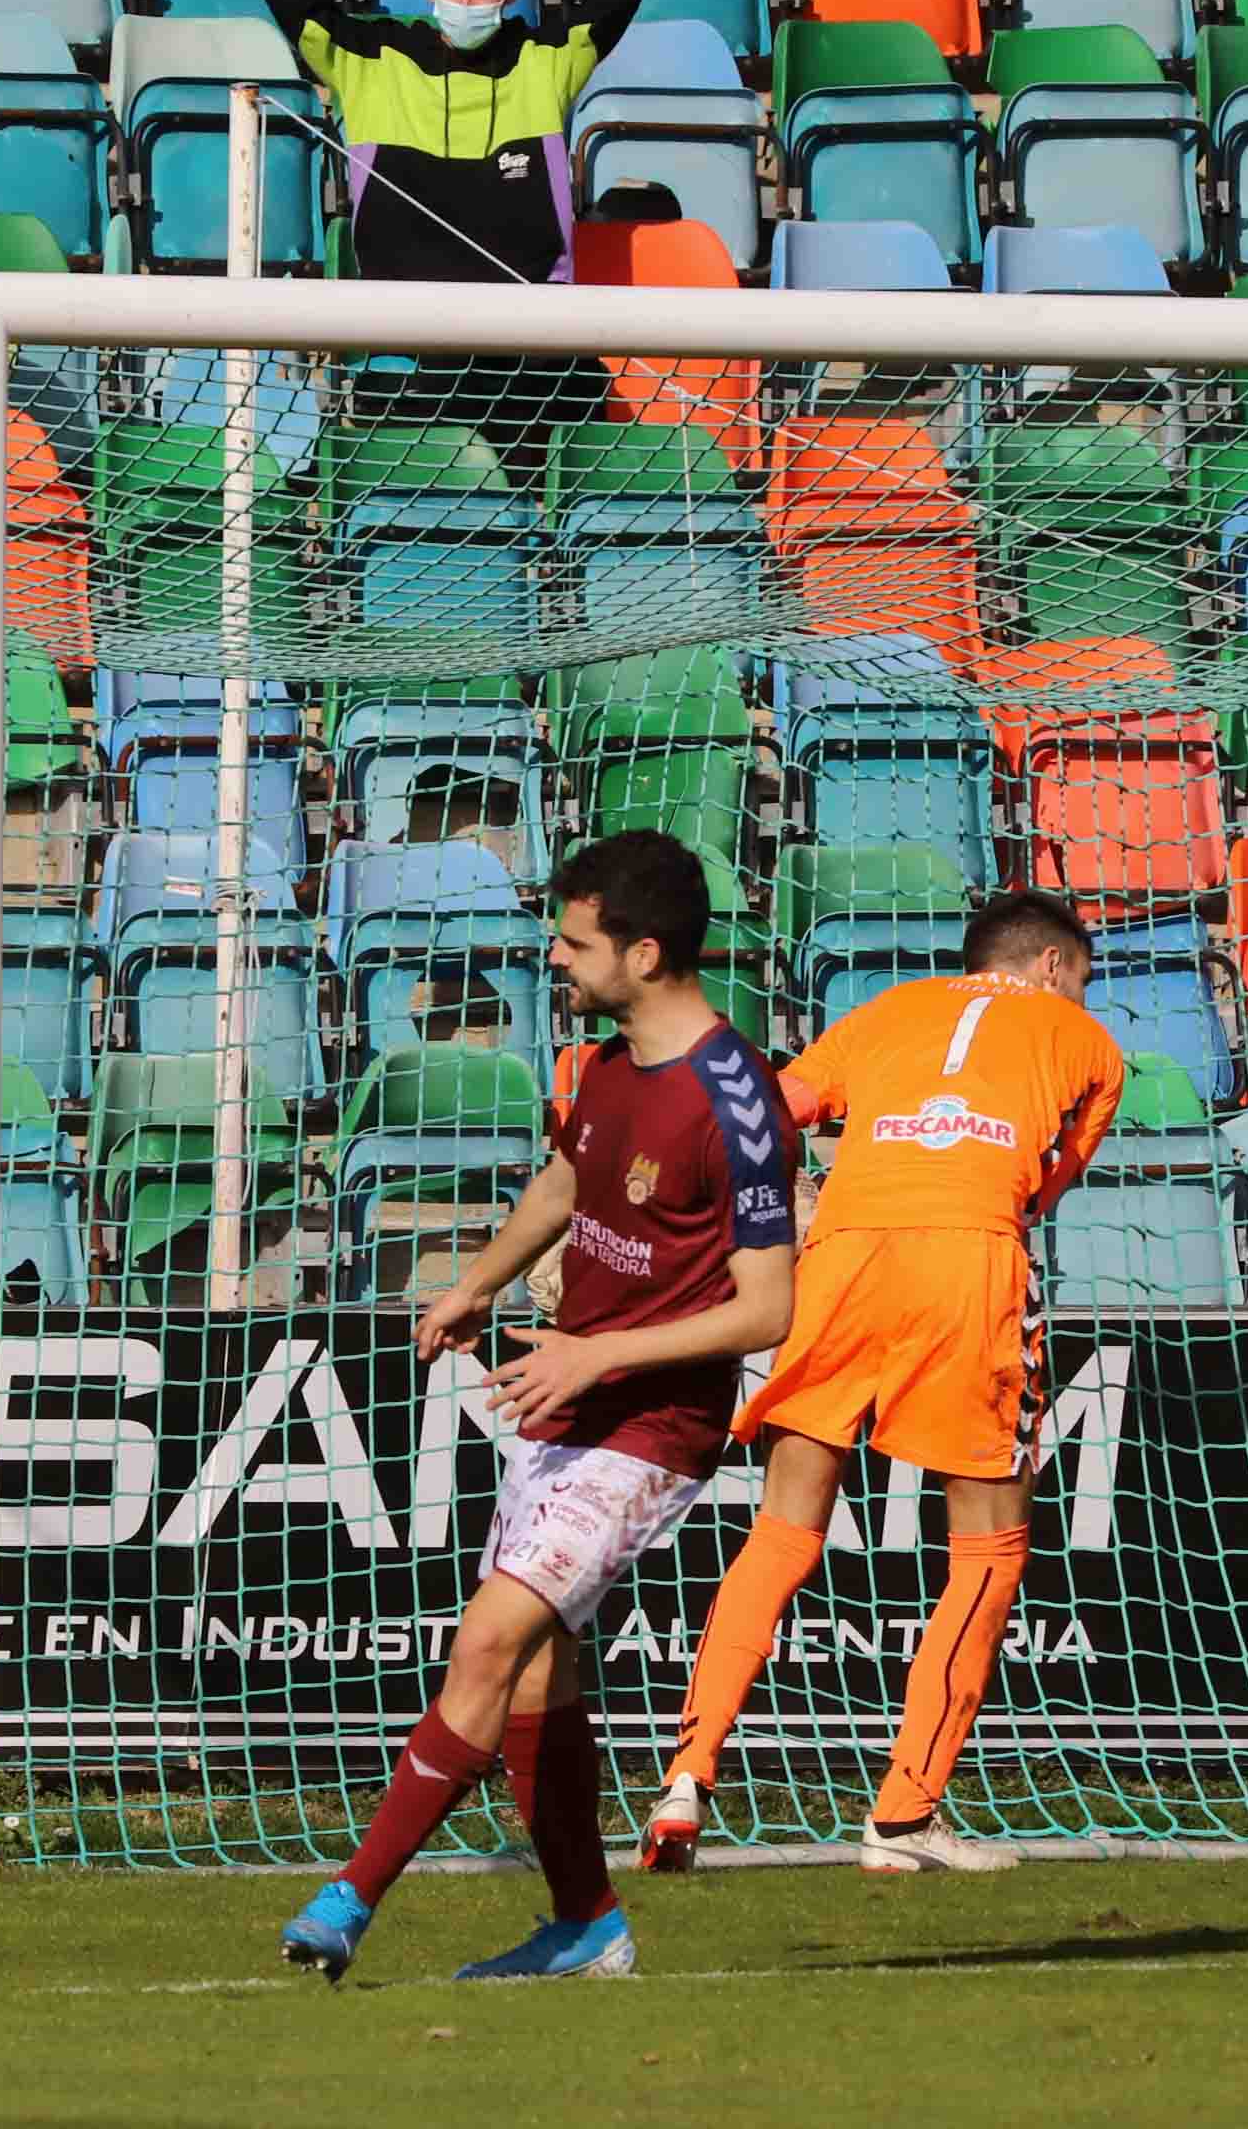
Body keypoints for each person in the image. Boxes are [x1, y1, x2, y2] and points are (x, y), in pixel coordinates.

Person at [278, 829, 797, 1984]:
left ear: (646, 951)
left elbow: (765, 1309)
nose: (553, 960)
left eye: (573, 941)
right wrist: (474, 1283)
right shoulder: (606, 1065)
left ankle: (348, 1897)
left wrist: (597, 1357)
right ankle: (585, 1922)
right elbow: (570, 1177)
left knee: (487, 1641)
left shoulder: (738, 1101)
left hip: (652, 1425)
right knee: (532, 1670)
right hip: (569, 1397)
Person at [640, 889, 1125, 1877]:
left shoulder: (885, 1011)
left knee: (780, 1526)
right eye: (1077, 979)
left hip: (844, 1257)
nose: (1080, 996)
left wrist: (803, 1197)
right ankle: (903, 1811)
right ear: (1046, 969)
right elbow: (1038, 1185)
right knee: (988, 1549)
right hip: (965, 1265)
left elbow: (760, 1114)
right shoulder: (1086, 1044)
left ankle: (687, 1772)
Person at [263, 0, 642, 485]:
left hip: (529, 327)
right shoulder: (370, 53)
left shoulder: (549, 57)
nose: (467, 3)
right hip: (409, 328)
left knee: (576, 415)